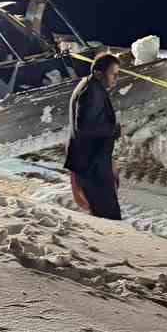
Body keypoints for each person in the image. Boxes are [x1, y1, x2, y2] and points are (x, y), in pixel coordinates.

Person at [64, 52, 123, 220]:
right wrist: (114, 130)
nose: (116, 78)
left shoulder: (91, 87)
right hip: (91, 165)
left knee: (103, 213)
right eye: (113, 74)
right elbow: (85, 126)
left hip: (92, 161)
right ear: (98, 73)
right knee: (108, 216)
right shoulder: (91, 92)